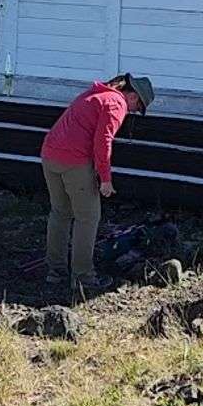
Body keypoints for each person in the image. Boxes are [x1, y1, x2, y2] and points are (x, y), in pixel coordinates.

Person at [40, 73, 155, 290]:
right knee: (88, 217)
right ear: (132, 96)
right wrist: (105, 179)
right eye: (137, 106)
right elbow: (103, 142)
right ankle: (83, 278)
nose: (133, 111)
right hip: (74, 162)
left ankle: (55, 272)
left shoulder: (96, 94)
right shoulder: (116, 103)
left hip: (50, 155)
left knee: (60, 213)